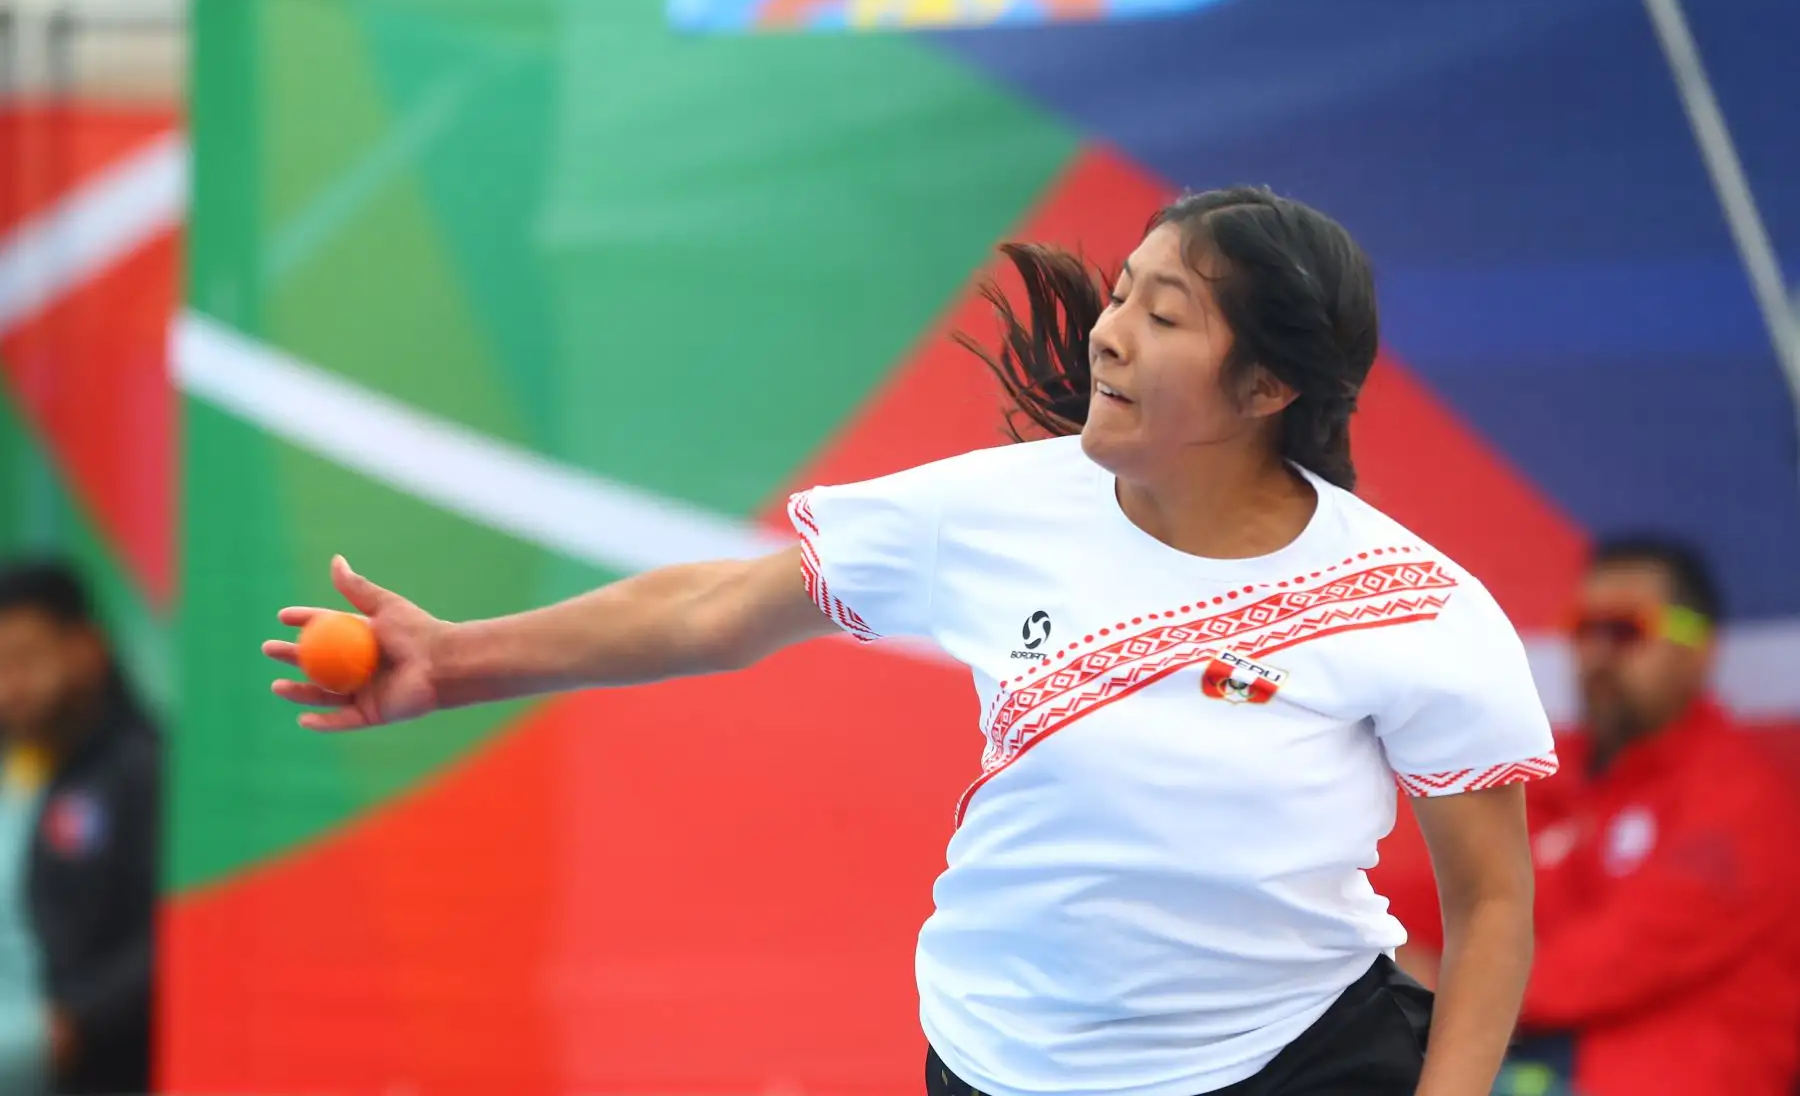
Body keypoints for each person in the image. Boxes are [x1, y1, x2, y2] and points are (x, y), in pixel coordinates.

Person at [267, 188, 1558, 1096]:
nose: (1110, 331)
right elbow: (717, 610)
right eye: (1121, 293)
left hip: (1291, 1059)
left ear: (1268, 387)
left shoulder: (1410, 604)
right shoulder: (989, 511)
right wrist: (456, 659)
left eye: (1166, 317)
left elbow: (1492, 901)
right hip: (1003, 1057)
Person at [1379, 536, 1800, 1096]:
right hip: (1541, 1063)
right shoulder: (1557, 772)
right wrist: (1359, 929)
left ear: (1696, 649)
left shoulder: (1740, 799)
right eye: (1585, 627)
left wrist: (1434, 981)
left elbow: (1620, 958)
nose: (1599, 652)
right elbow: (1456, 891)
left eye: (1626, 630)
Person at [0, 560, 158, 1095]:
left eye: (24, 659)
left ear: (86, 648)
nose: (8, 689)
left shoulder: (142, 770)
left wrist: (78, 1021)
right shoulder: (21, 764)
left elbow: (171, 933)